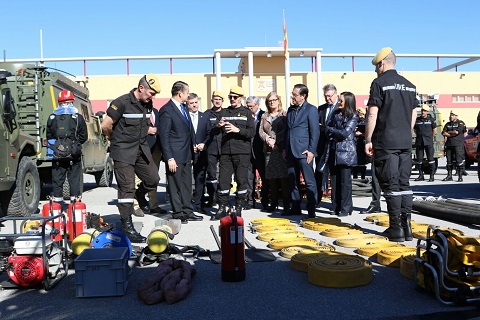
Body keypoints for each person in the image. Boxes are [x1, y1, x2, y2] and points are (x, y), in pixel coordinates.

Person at [365, 47, 417, 242]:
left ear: (382, 63)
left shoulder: (379, 83)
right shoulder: (410, 85)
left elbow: (372, 113)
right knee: (405, 184)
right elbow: (414, 113)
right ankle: (407, 228)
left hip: (386, 141)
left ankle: (396, 230)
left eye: (376, 66)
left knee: (391, 184)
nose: (375, 71)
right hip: (405, 141)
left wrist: (368, 139)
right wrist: (406, 131)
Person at [101, 74, 161, 243]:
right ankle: (127, 226)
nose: (153, 96)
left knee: (153, 178)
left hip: (140, 149)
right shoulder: (121, 102)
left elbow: (143, 123)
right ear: (141, 88)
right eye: (151, 92)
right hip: (123, 151)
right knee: (127, 188)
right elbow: (105, 125)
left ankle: (139, 196)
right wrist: (113, 139)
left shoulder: (147, 103)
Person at [159, 81, 203, 223]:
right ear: (180, 93)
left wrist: (192, 150)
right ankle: (178, 213)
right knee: (175, 185)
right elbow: (164, 136)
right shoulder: (167, 110)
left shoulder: (184, 108)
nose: (188, 95)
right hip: (174, 155)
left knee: (186, 185)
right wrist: (169, 157)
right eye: (187, 92)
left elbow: (188, 131)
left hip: (186, 154)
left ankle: (187, 210)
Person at [210, 85, 255, 220]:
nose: (232, 99)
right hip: (226, 152)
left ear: (241, 98)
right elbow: (214, 132)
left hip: (242, 152)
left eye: (235, 97)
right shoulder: (224, 112)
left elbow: (251, 132)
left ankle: (238, 206)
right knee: (223, 180)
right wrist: (218, 126)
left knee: (241, 180)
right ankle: (222, 207)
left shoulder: (247, 112)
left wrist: (237, 130)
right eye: (230, 97)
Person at [283, 84, 320, 218]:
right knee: (293, 181)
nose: (293, 97)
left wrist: (311, 150)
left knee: (309, 181)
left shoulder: (311, 110)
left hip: (304, 151)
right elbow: (288, 130)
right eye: (292, 94)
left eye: (295, 94)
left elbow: (314, 132)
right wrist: (284, 148)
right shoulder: (291, 110)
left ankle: (311, 208)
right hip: (290, 150)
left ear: (303, 96)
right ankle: (296, 206)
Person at [47, 89, 88, 206]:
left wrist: (59, 147)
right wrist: (74, 145)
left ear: (59, 102)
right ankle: (74, 206)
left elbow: (49, 136)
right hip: (73, 156)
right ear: (72, 102)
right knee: (74, 180)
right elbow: (84, 136)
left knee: (57, 181)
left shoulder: (52, 118)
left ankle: (57, 207)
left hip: (57, 155)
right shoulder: (78, 117)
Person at [323, 92, 358, 216]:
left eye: (341, 100)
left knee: (345, 181)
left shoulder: (353, 116)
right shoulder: (335, 113)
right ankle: (336, 206)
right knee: (335, 180)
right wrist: (331, 131)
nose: (339, 102)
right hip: (334, 150)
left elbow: (344, 133)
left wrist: (331, 130)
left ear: (348, 102)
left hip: (346, 152)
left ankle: (346, 208)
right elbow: (328, 129)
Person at [133, 104, 167, 217]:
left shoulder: (156, 111)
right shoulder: (137, 111)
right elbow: (132, 127)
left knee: (154, 177)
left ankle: (153, 205)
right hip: (142, 148)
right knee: (138, 178)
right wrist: (146, 130)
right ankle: (136, 205)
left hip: (156, 149)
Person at [259, 92, 290, 214]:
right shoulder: (264, 116)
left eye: (274, 100)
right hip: (268, 150)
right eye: (269, 100)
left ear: (278, 100)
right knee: (272, 179)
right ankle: (274, 203)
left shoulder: (285, 114)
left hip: (281, 149)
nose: (272, 102)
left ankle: (287, 204)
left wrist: (276, 141)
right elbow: (261, 131)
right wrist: (267, 139)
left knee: (283, 179)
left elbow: (286, 129)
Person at [316, 84, 340, 207]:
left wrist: (326, 128)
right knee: (319, 173)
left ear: (336, 94)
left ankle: (335, 203)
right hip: (321, 146)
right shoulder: (320, 109)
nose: (327, 99)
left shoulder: (340, 108)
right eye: (325, 96)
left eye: (330, 96)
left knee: (334, 176)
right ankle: (316, 199)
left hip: (335, 146)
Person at [188, 93, 210, 214]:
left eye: (196, 102)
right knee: (185, 180)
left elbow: (209, 134)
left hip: (202, 153)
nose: (195, 105)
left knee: (200, 179)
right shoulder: (184, 116)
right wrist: (190, 146)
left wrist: (204, 144)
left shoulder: (205, 117)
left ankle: (198, 204)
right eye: (192, 103)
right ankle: (186, 204)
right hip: (188, 153)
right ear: (187, 104)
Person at [246, 96, 269, 211]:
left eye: (251, 106)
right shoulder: (246, 116)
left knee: (264, 178)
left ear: (257, 105)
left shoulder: (264, 115)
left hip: (261, 152)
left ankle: (265, 201)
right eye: (248, 106)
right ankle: (250, 201)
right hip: (248, 152)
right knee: (249, 178)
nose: (249, 109)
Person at [204, 91, 225, 207]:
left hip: (224, 148)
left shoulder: (226, 113)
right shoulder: (207, 114)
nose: (217, 101)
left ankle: (221, 199)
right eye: (215, 99)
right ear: (212, 100)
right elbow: (205, 130)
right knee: (211, 174)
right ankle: (212, 198)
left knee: (223, 175)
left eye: (219, 99)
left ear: (222, 101)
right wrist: (216, 126)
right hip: (211, 148)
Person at [413, 104, 437, 182]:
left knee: (430, 159)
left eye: (425, 111)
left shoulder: (431, 120)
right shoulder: (417, 120)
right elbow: (415, 130)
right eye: (422, 111)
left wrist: (430, 138)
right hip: (420, 142)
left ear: (427, 112)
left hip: (428, 141)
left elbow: (435, 130)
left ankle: (431, 176)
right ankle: (421, 175)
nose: (423, 112)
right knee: (419, 159)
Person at [442, 110, 467, 182]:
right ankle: (449, 175)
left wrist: (448, 133)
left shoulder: (460, 123)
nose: (451, 116)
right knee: (449, 161)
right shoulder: (447, 124)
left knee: (459, 161)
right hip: (449, 144)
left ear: (456, 116)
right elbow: (443, 132)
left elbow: (457, 132)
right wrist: (451, 133)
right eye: (450, 115)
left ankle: (460, 176)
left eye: (452, 115)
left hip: (458, 145)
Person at [353, 108, 367, 179]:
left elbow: (368, 134)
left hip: (362, 144)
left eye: (363, 115)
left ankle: (363, 177)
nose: (362, 116)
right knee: (355, 162)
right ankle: (355, 176)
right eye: (361, 114)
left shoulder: (365, 122)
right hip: (354, 144)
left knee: (362, 162)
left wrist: (360, 134)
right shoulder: (354, 121)